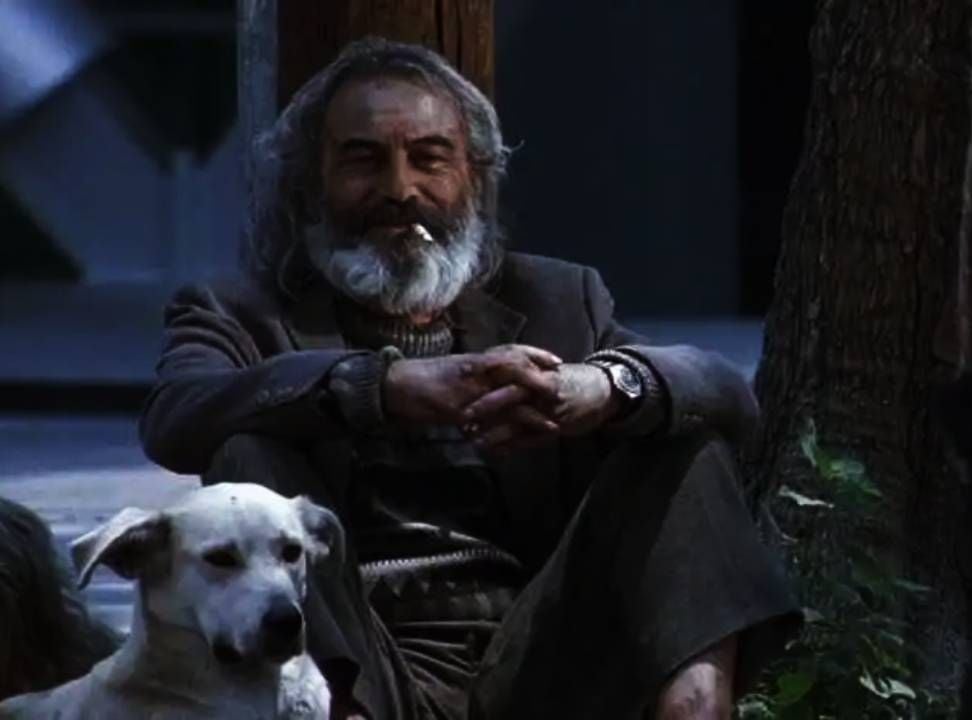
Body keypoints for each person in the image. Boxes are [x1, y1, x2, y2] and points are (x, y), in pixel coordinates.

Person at [138, 37, 797, 720]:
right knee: (246, 455)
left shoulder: (558, 299)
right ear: (310, 185)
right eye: (363, 161)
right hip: (360, 665)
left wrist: (606, 386)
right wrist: (382, 388)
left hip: (539, 658)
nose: (399, 191)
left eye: (429, 159)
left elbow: (723, 390)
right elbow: (176, 414)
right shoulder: (240, 312)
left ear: (474, 182)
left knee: (681, 442)